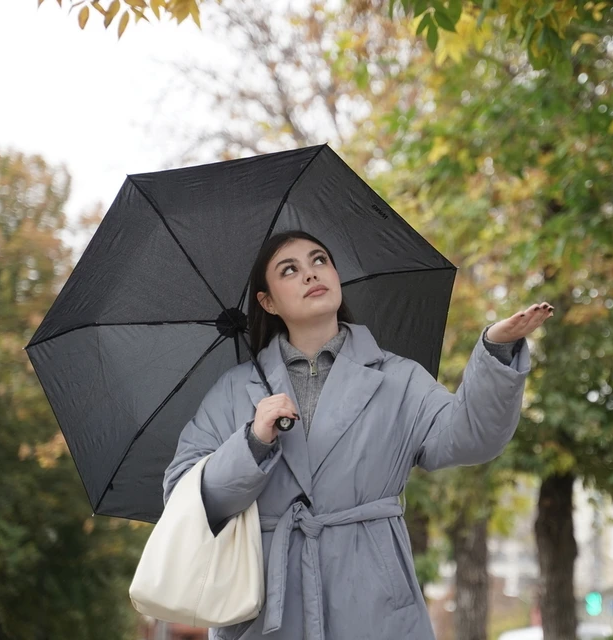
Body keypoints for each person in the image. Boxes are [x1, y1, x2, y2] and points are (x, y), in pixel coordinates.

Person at [163, 230, 553, 640]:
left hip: (375, 603)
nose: (311, 274)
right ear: (268, 301)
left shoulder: (397, 378)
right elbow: (183, 495)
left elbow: (472, 436)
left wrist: (495, 350)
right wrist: (252, 442)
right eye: (289, 269)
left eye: (319, 261)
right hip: (264, 611)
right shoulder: (233, 390)